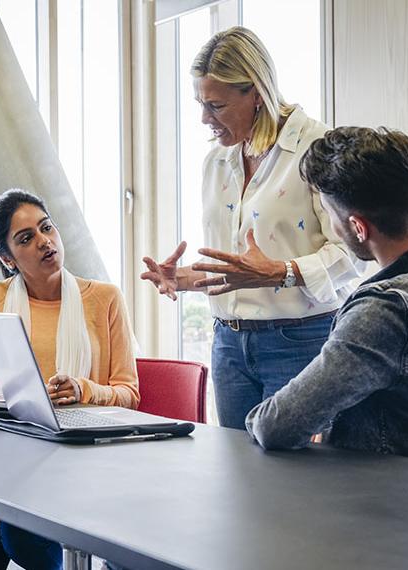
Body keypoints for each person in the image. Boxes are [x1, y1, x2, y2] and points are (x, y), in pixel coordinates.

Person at [140, 26, 362, 429]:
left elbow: (353, 254)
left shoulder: (318, 148)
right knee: (239, 478)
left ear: (256, 94)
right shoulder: (217, 160)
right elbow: (239, 269)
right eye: (200, 103)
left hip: (301, 341)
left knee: (295, 484)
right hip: (228, 343)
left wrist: (282, 271)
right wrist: (188, 278)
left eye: (216, 106)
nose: (204, 118)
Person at [246, 127, 408, 462]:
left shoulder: (387, 310)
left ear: (359, 227)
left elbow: (277, 425)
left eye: (330, 217)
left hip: (377, 502)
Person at [0, 189, 139, 570]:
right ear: (7, 259)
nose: (44, 242)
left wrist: (83, 389)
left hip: (84, 453)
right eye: (26, 238)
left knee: (18, 534)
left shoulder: (104, 298)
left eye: (46, 228)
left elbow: (129, 394)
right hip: (13, 452)